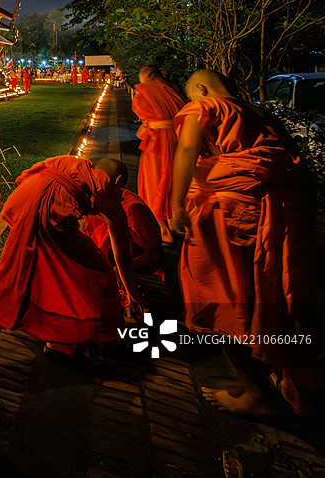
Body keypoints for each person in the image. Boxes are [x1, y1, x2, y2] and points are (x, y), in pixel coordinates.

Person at [171, 69, 318, 416]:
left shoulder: (205, 107)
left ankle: (255, 391)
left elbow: (187, 147)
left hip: (230, 210)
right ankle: (280, 376)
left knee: (221, 295)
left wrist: (176, 205)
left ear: (201, 90)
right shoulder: (260, 113)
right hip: (276, 211)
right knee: (265, 290)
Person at [0, 156, 146, 360]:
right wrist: (132, 293)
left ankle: (57, 336)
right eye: (121, 189)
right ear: (117, 181)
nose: (121, 195)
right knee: (97, 275)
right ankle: (73, 340)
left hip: (24, 199)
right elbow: (121, 252)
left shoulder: (74, 165)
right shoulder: (105, 187)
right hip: (50, 210)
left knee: (49, 270)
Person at [131, 65, 187, 244]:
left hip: (157, 141)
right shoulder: (175, 89)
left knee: (154, 180)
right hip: (179, 136)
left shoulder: (146, 91)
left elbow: (140, 111)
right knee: (175, 177)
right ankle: (175, 221)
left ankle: (162, 228)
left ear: (147, 76)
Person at [84, 159, 162, 274]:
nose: (96, 186)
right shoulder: (94, 203)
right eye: (94, 180)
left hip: (123, 272)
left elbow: (153, 255)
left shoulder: (133, 208)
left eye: (102, 181)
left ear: (118, 182)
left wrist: (119, 270)